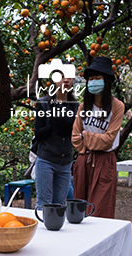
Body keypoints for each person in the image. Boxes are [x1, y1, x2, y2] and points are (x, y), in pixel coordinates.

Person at [72, 56, 125, 219]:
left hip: (105, 161)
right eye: (90, 79)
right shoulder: (84, 106)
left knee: (99, 212)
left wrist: (86, 136)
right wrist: (87, 145)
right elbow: (74, 137)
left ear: (107, 80)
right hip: (83, 160)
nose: (93, 82)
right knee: (79, 209)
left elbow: (109, 140)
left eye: (97, 78)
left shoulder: (117, 107)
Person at [33, 75, 78, 206]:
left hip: (65, 162)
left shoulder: (75, 106)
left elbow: (76, 135)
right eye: (62, 76)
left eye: (70, 77)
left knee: (59, 204)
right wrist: (54, 124)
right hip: (46, 159)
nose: (66, 80)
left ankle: (55, 227)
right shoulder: (43, 103)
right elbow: (38, 134)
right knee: (43, 204)